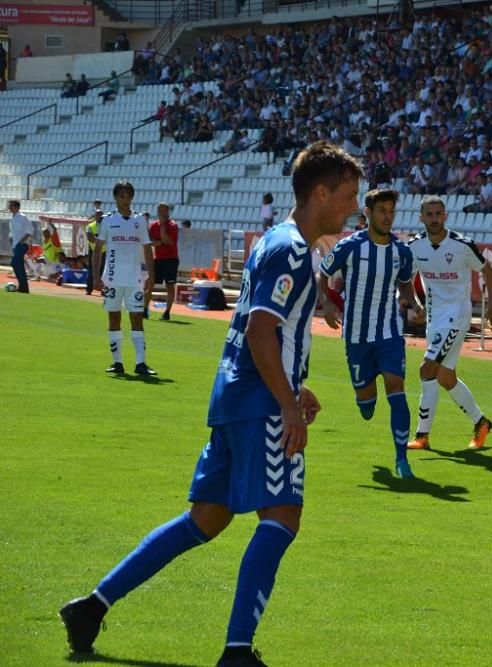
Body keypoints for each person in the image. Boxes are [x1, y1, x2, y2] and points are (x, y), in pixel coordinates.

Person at [58, 141, 362, 667]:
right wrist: (288, 404)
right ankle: (238, 651)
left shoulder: (277, 241)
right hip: (258, 403)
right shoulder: (291, 248)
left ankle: (92, 605)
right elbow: (262, 333)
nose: (353, 208)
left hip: (236, 396)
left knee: (205, 519)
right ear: (321, 192)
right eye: (349, 196)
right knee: (283, 514)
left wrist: (294, 385)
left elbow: (260, 330)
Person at [317, 189, 421, 480]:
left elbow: (405, 285)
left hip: (389, 332)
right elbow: (322, 275)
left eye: (391, 211)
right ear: (368, 214)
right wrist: (325, 303)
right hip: (356, 337)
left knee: (397, 390)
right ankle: (364, 398)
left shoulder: (402, 252)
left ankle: (402, 460)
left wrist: (414, 304)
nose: (387, 216)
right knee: (366, 406)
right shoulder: (349, 247)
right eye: (382, 211)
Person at [405, 195, 492, 451]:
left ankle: (422, 436)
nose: (434, 219)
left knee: (426, 370)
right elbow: (405, 279)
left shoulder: (461, 245)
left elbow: (487, 270)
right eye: (429, 214)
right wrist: (416, 304)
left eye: (438, 214)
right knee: (446, 377)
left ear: (445, 216)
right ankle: (481, 423)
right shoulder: (415, 246)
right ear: (421, 217)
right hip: (435, 318)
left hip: (457, 316)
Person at [92, 182, 157, 376]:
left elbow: (147, 248)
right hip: (112, 278)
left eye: (128, 195)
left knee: (137, 317)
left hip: (134, 278)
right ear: (115, 197)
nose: (125, 199)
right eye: (121, 195)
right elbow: (97, 250)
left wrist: (151, 275)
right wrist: (95, 276)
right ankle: (117, 362)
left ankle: (141, 363)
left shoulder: (139, 221)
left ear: (132, 197)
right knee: (114, 317)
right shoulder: (108, 221)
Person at [146, 203, 179, 321]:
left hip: (170, 259)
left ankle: (167, 312)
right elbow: (148, 239)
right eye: (159, 209)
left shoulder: (172, 225)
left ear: (168, 211)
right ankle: (144, 309)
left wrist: (163, 227)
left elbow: (167, 241)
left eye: (163, 210)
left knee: (169, 286)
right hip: (158, 259)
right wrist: (154, 242)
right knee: (150, 284)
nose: (160, 212)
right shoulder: (153, 225)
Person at [7, 200, 32, 293]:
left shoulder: (22, 217)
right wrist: (11, 237)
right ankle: (23, 287)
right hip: (15, 244)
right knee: (17, 264)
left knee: (15, 262)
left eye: (11, 206)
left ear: (17, 207)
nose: (9, 208)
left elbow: (29, 231)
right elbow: (13, 231)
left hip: (22, 244)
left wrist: (22, 241)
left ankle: (23, 286)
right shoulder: (12, 218)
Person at [86, 209, 104, 296]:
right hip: (93, 250)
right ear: (95, 216)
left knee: (104, 270)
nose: (99, 217)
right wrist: (100, 241)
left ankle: (104, 289)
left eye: (101, 215)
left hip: (104, 251)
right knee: (91, 269)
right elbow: (90, 238)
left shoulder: (107, 226)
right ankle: (89, 289)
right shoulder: (91, 226)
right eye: (97, 215)